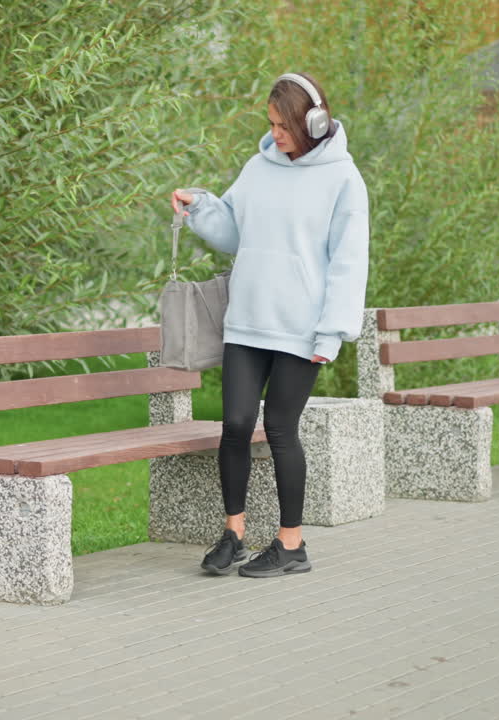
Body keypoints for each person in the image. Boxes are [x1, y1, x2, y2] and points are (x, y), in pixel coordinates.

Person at [170, 72, 369, 578]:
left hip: (302, 331)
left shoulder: (343, 179)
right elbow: (234, 232)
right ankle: (233, 535)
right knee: (235, 425)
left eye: (284, 126)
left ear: (314, 122)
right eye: (272, 124)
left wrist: (332, 332)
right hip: (246, 323)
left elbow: (349, 262)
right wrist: (201, 207)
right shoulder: (258, 167)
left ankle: (291, 544)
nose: (275, 134)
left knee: (280, 429)